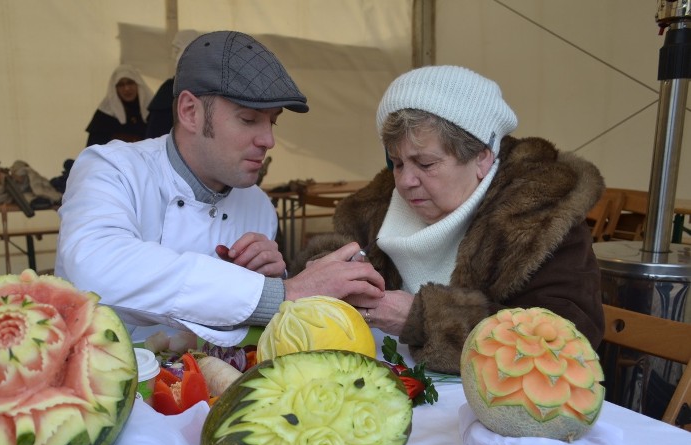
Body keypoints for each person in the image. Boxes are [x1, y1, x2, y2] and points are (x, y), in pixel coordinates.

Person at [55, 31, 383, 345]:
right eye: (249, 119)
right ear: (190, 112)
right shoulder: (111, 168)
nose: (268, 140)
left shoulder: (258, 206)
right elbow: (97, 266)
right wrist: (281, 294)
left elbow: (246, 326)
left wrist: (272, 279)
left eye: (273, 120)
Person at [293, 65, 605, 374]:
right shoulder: (375, 207)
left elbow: (567, 343)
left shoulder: (540, 220)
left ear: (482, 158)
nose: (405, 181)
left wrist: (423, 320)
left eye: (425, 163)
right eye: (398, 163)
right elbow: (328, 258)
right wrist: (331, 275)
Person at [145, 29, 199, 139]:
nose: (172, 55)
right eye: (174, 49)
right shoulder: (169, 88)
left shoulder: (208, 88)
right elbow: (155, 132)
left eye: (177, 49)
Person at [85, 63, 154, 146]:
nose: (126, 88)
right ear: (115, 89)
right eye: (121, 85)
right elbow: (94, 148)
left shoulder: (151, 110)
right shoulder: (105, 114)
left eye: (130, 82)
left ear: (137, 84)